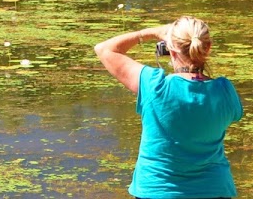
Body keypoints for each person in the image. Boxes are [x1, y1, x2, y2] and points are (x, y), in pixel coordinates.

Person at [94, 16, 243, 199]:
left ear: (170, 49)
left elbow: (104, 49)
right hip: (214, 190)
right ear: (208, 47)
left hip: (157, 190)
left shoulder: (153, 86)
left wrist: (147, 33)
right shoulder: (224, 91)